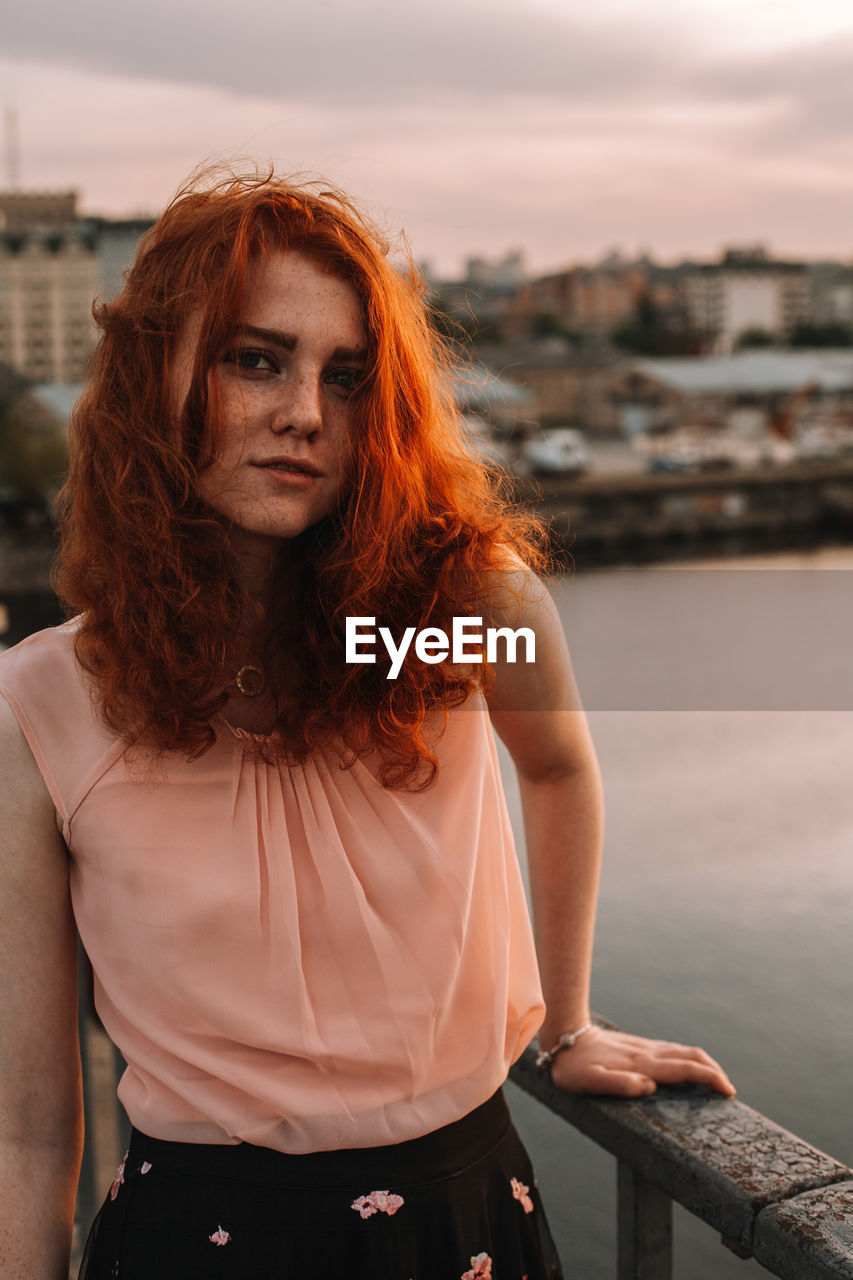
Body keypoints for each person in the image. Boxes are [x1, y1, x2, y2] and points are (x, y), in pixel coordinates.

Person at [0, 167, 733, 1280]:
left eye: (346, 377)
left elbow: (557, 764)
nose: (305, 413)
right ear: (160, 376)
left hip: (460, 1225)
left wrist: (566, 1021)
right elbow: (28, 1130)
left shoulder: (444, 624)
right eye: (257, 360)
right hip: (190, 1244)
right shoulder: (44, 703)